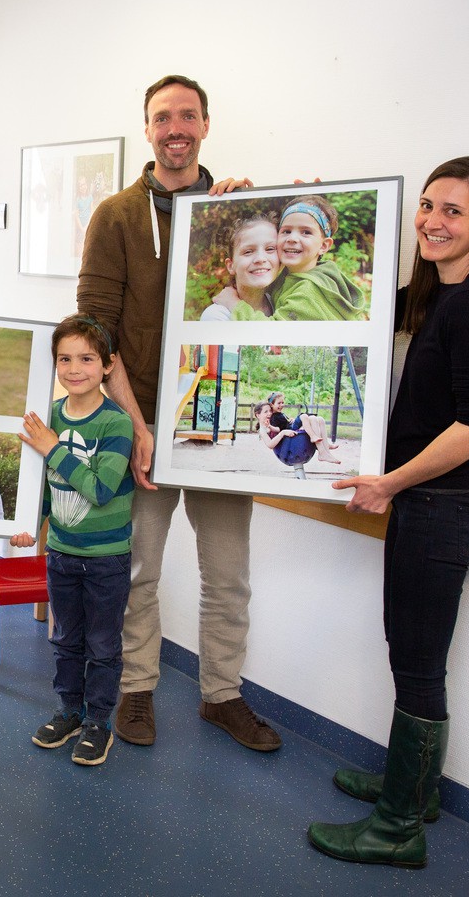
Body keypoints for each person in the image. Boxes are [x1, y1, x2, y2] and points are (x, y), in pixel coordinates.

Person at [307, 156, 469, 868]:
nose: (432, 220)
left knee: (421, 664)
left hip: (443, 508)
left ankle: (400, 827)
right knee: (410, 653)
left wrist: (391, 483)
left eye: (452, 211)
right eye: (427, 206)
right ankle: (417, 790)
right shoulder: (437, 294)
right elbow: (351, 310)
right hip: (425, 507)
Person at [77, 74, 280, 752]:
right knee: (139, 569)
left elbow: (280, 292)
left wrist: (275, 206)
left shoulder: (233, 212)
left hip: (223, 425)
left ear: (205, 125)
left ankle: (222, 695)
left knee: (228, 575)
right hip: (147, 425)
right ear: (147, 129)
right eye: (163, 117)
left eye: (188, 116)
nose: (176, 129)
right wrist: (137, 428)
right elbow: (96, 334)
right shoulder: (115, 216)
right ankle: (137, 689)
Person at [10, 315, 135, 767]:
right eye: (65, 359)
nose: (75, 368)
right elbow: (45, 486)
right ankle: (69, 711)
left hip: (106, 561)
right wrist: (30, 523)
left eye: (86, 358)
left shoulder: (116, 424)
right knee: (66, 640)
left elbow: (100, 489)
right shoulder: (52, 419)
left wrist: (53, 447)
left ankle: (100, 721)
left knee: (103, 645)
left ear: (108, 365)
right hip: (61, 554)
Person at [216, 194, 366, 321]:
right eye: (286, 231)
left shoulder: (308, 291)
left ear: (324, 246)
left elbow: (271, 335)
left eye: (306, 232)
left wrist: (234, 304)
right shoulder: (288, 276)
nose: (292, 238)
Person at [199, 216, 278, 321]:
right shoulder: (217, 316)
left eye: (270, 249)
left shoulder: (283, 305)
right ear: (231, 266)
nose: (260, 259)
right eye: (248, 251)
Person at [263, 392, 341, 468]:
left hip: (291, 427)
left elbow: (284, 423)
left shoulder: (280, 414)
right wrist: (269, 426)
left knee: (319, 419)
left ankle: (325, 447)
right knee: (303, 416)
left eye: (283, 402)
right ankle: (314, 438)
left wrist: (291, 420)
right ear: (272, 405)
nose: (282, 405)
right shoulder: (273, 416)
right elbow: (278, 429)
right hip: (289, 434)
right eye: (279, 403)